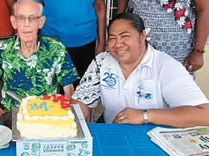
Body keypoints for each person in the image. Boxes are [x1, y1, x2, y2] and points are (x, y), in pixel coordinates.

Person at [71, 12, 209, 128]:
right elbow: (81, 102)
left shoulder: (165, 66)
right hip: (114, 130)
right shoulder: (102, 61)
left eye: (125, 36)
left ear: (142, 36)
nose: (118, 44)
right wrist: (69, 123)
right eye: (112, 38)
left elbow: (204, 115)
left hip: (154, 136)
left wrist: (145, 115)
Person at [0, 0, 79, 119]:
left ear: (41, 22)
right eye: (21, 18)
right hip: (12, 116)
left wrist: (59, 117)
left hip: (46, 117)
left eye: (32, 18)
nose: (26, 24)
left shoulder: (56, 49)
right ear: (14, 22)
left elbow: (69, 92)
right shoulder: (2, 50)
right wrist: (2, 115)